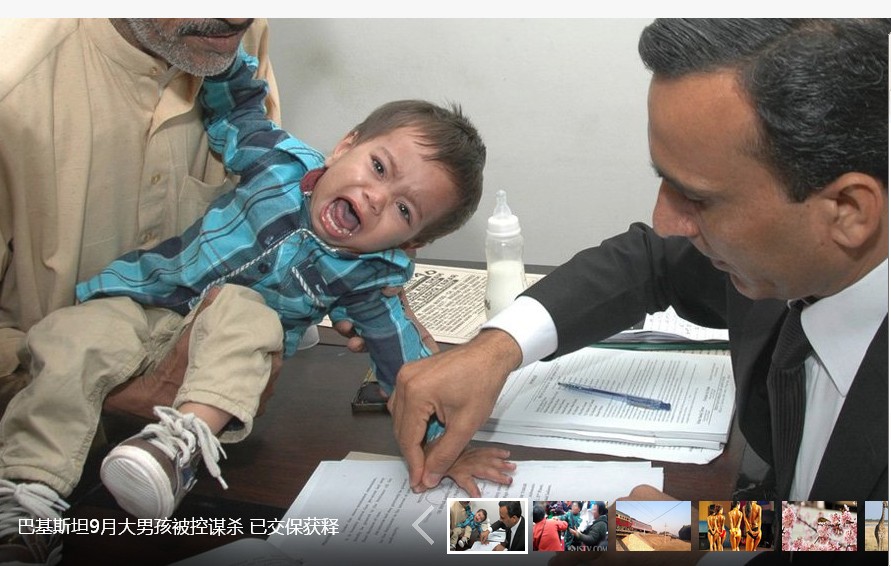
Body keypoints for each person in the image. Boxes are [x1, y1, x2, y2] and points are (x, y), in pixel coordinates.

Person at [0, 45, 510, 556]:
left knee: (245, 311)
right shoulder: (276, 162)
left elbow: (408, 369)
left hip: (217, 365)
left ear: (411, 242)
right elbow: (239, 106)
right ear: (344, 146)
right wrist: (219, 52)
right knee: (71, 336)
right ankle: (26, 505)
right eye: (378, 167)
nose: (377, 197)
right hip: (141, 302)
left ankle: (175, 450)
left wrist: (445, 446)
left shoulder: (367, 278)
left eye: (403, 209)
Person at [388, 18, 889, 502]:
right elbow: (652, 262)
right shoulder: (789, 263)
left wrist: (698, 538)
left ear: (847, 211)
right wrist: (496, 350)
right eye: (664, 180)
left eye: (698, 198)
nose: (664, 221)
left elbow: (866, 536)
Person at [0, 17, 276, 565]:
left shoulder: (228, 35)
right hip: (23, 438)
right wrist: (91, 383)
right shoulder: (15, 81)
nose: (239, 13)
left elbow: (264, 198)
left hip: (177, 450)